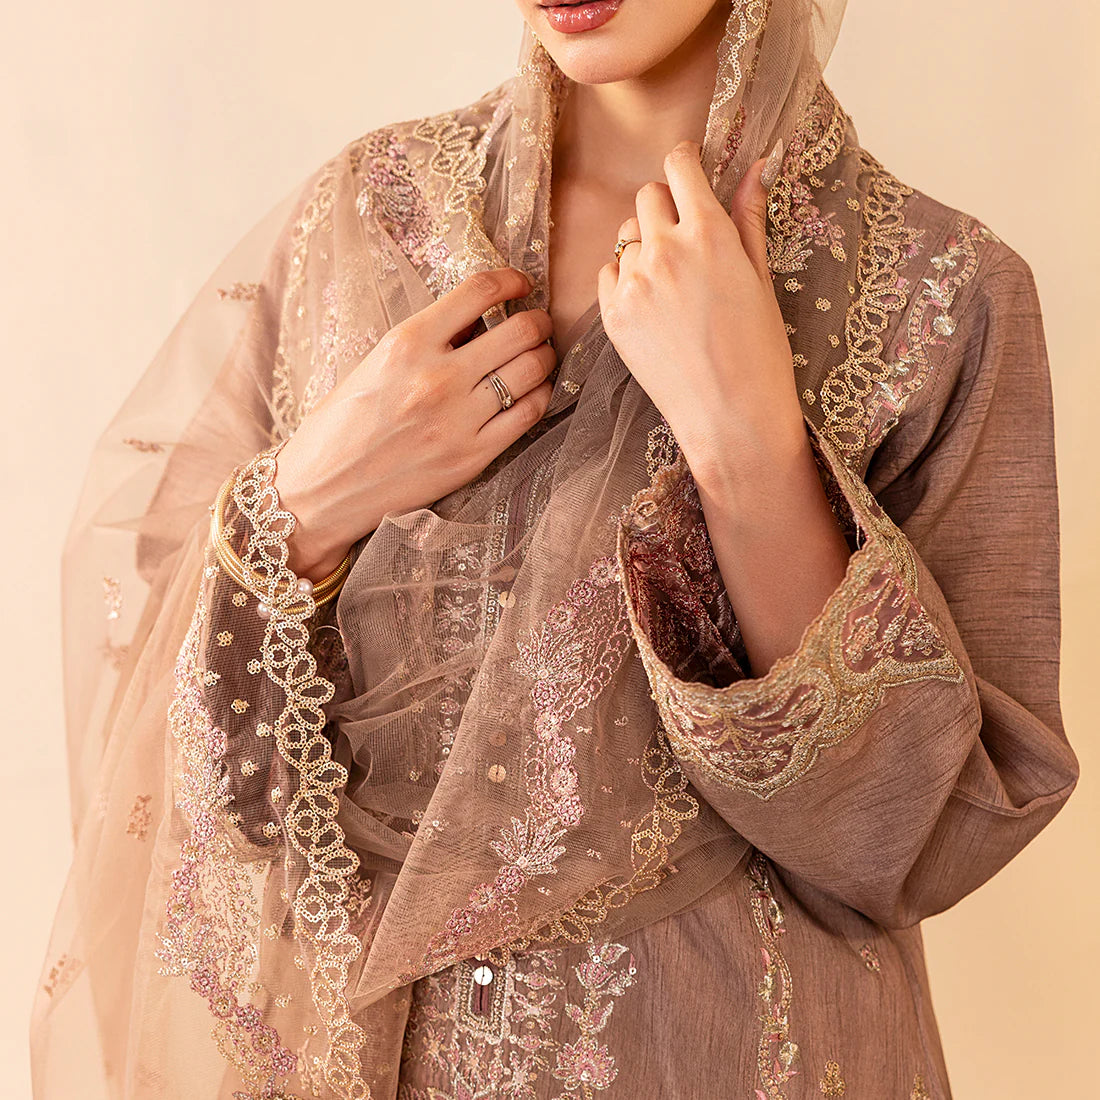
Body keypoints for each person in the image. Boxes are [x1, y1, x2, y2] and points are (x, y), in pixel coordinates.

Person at [31, 1, 1079, 1097]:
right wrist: (305, 501)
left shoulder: (939, 290)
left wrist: (750, 444)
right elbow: (199, 773)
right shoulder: (371, 214)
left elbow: (912, 839)